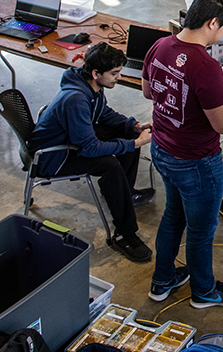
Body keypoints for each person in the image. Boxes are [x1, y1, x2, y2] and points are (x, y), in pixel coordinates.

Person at [143, 0, 223, 307]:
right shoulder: (205, 66)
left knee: (173, 215)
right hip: (196, 162)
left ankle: (163, 280)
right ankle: (205, 291)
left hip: (162, 149)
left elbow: (148, 90)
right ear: (212, 23)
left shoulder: (160, 45)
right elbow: (222, 124)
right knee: (200, 231)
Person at [28, 42, 154, 263]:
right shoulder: (76, 99)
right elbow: (89, 148)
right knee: (111, 164)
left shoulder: (88, 84)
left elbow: (103, 112)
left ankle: (123, 193)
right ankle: (125, 234)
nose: (119, 77)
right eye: (114, 73)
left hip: (68, 139)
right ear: (96, 73)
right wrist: (133, 145)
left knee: (128, 139)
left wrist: (132, 127)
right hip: (52, 157)